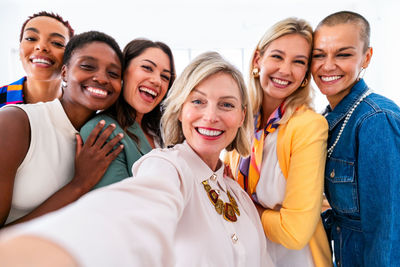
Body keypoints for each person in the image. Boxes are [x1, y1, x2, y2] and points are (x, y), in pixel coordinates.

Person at [0, 51, 274, 267]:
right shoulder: (166, 167)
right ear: (180, 110)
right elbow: (132, 212)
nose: (211, 116)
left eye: (226, 104)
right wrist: (47, 251)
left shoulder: (239, 196)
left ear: (241, 116)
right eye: (198, 102)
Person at [225, 18, 332, 266]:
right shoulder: (240, 120)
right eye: (277, 56)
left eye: (298, 62)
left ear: (306, 74)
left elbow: (294, 233)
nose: (285, 70)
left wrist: (242, 209)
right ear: (257, 60)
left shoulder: (308, 126)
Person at [0, 31, 125, 227]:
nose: (102, 78)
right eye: (87, 66)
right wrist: (79, 184)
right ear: (65, 72)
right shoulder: (16, 121)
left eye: (113, 74)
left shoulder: (103, 139)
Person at [312, 11, 400, 267]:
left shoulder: (376, 120)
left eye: (343, 54)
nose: (327, 65)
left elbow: (387, 230)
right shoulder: (327, 119)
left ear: (366, 57)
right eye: (319, 54)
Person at [80, 38, 175, 189]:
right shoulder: (103, 130)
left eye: (165, 77)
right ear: (123, 71)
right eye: (147, 68)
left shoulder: (161, 132)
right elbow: (117, 206)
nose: (157, 81)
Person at [0, 11, 74, 107]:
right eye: (31, 38)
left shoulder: (84, 109)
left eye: (57, 43)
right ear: (19, 49)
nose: (41, 46)